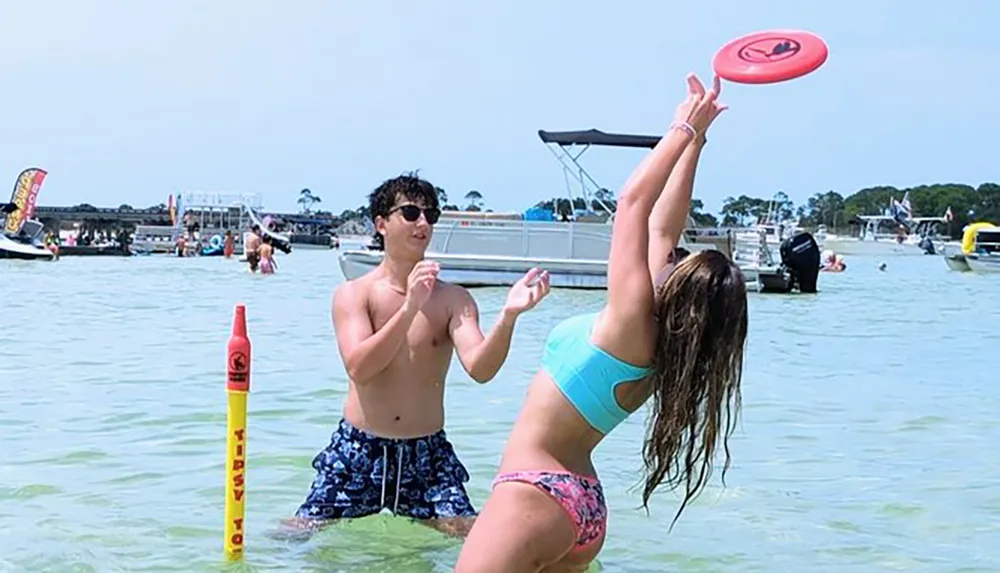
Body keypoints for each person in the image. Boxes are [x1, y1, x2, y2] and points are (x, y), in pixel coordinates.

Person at [454, 74, 747, 572]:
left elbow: (634, 205)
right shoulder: (662, 345)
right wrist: (697, 141)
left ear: (681, 290)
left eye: (680, 261)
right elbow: (661, 224)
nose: (672, 255)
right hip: (582, 506)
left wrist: (679, 127)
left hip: (534, 492)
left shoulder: (632, 318)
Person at [282, 173, 551, 539]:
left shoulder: (454, 299)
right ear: (381, 224)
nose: (423, 222)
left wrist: (509, 316)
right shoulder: (354, 294)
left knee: (473, 540)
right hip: (360, 447)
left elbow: (481, 368)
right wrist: (409, 308)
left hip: (428, 455)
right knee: (297, 537)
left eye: (430, 214)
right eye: (410, 213)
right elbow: (360, 368)